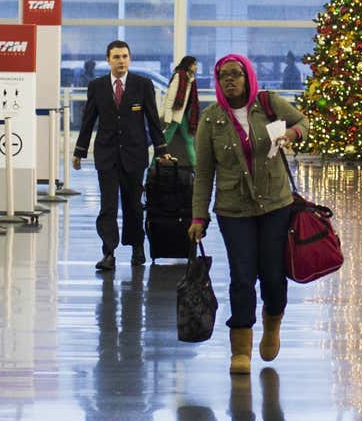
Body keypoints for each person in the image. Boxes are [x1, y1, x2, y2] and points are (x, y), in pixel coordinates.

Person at [185, 54, 309, 376]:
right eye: (223, 75)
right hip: (233, 210)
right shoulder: (211, 120)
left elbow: (302, 122)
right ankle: (240, 349)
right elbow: (204, 172)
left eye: (236, 74)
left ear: (247, 76)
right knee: (242, 277)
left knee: (272, 274)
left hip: (275, 206)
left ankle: (272, 324)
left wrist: (291, 136)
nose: (230, 80)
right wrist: (199, 217)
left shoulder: (268, 103)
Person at [73, 40, 174, 272]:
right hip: (106, 155)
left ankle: (137, 247)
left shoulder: (143, 85)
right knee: (107, 206)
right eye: (116, 57)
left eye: (125, 56)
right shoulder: (97, 86)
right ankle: (108, 253)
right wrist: (79, 151)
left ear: (130, 59)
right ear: (108, 60)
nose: (121, 61)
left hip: (134, 155)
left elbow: (152, 120)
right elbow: (88, 121)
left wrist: (162, 150)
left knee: (134, 205)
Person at [160, 56, 200, 168]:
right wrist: (168, 118)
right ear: (188, 65)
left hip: (181, 116)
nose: (196, 67)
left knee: (189, 140)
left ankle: (196, 168)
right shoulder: (179, 76)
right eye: (194, 64)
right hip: (174, 115)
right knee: (165, 141)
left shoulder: (190, 79)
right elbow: (170, 99)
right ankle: (153, 166)